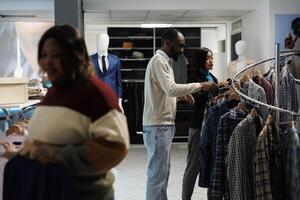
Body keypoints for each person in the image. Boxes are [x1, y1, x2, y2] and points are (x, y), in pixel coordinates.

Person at [5, 24, 130, 200]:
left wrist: (57, 156)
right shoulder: (55, 92)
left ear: (75, 56)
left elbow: (115, 147)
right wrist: (23, 154)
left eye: (56, 55)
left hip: (82, 194)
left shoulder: (96, 93)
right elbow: (52, 136)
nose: (47, 61)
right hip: (52, 188)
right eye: (44, 55)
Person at [142, 28, 215, 200]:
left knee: (162, 175)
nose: (182, 50)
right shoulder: (159, 61)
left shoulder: (164, 61)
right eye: (179, 46)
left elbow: (164, 91)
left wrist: (181, 96)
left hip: (162, 126)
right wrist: (200, 85)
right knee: (157, 177)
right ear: (168, 43)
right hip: (158, 126)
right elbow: (171, 88)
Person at [181, 48, 227, 200]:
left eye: (212, 57)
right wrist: (216, 88)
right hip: (198, 125)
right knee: (193, 165)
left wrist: (222, 88)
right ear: (200, 59)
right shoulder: (193, 77)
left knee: (212, 162)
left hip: (212, 126)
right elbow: (197, 100)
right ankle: (185, 197)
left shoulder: (212, 77)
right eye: (208, 58)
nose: (211, 60)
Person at [91, 33, 123, 111]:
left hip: (111, 97)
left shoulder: (115, 60)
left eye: (105, 41)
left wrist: (119, 102)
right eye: (101, 41)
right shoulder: (90, 60)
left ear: (108, 43)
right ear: (97, 43)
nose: (103, 44)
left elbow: (119, 83)